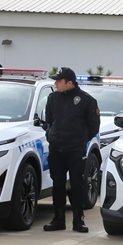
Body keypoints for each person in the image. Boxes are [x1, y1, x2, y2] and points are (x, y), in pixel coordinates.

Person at [43, 67, 100, 233]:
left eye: (58, 81)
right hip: (56, 148)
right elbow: (49, 121)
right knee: (58, 184)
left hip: (75, 149)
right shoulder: (53, 98)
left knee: (77, 184)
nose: (55, 84)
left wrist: (80, 140)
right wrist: (51, 135)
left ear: (69, 83)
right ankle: (58, 219)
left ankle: (78, 220)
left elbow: (93, 126)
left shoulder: (87, 101)